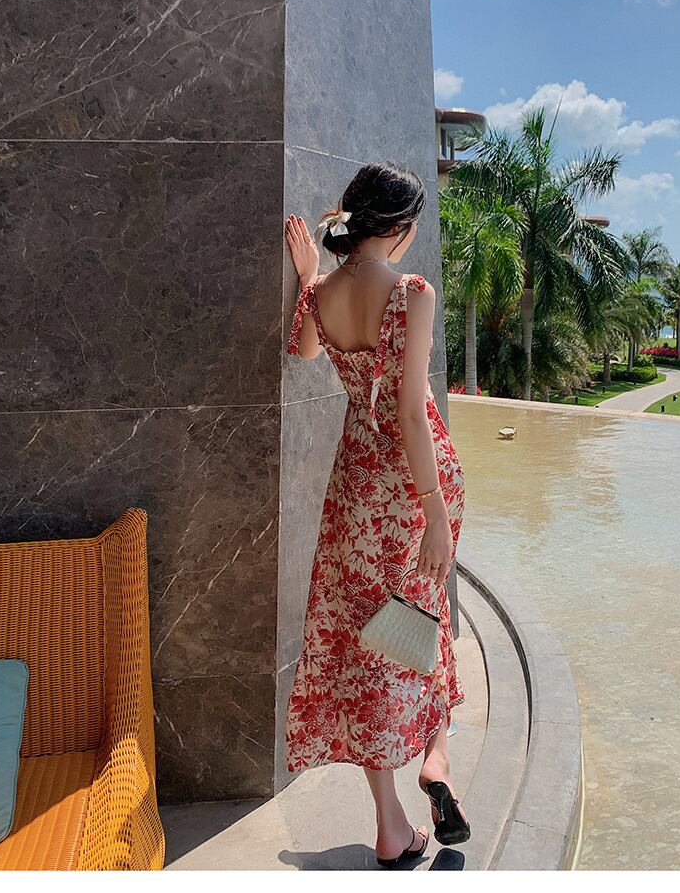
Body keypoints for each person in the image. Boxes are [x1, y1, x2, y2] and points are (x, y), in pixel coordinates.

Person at [284, 161, 469, 868]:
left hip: (356, 484)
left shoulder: (324, 295)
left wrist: (308, 279)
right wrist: (435, 511)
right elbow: (412, 413)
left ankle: (392, 824)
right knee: (421, 618)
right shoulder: (412, 292)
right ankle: (435, 756)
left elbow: (304, 348)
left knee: (375, 636)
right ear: (399, 228)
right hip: (413, 485)